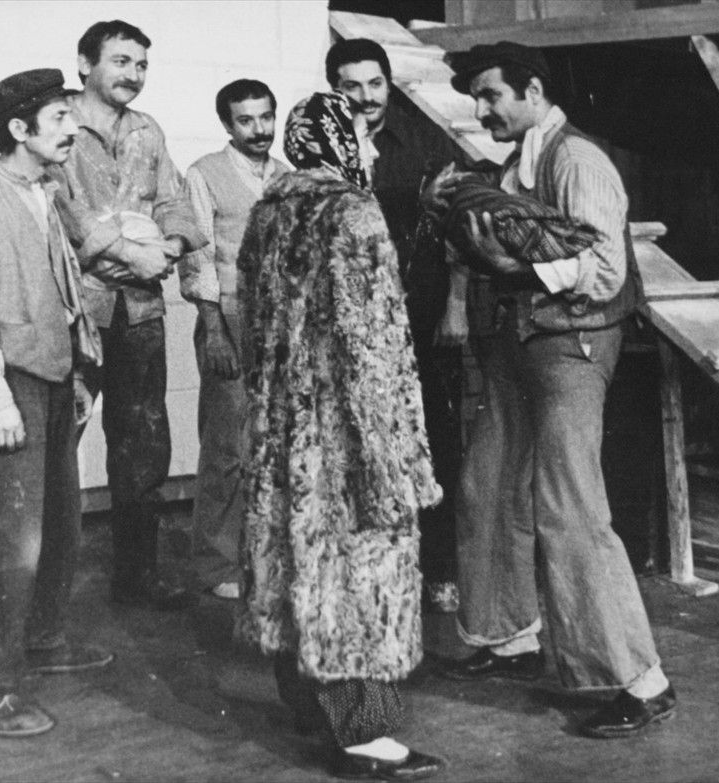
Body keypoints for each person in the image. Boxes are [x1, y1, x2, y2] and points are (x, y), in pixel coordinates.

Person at [439, 42, 678, 739]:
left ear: (534, 91)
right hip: (518, 342)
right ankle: (509, 634)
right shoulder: (518, 161)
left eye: (491, 95)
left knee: (570, 507)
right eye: (476, 98)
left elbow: (605, 269)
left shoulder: (577, 160)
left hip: (572, 342)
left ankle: (639, 680)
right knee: (488, 485)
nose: (481, 110)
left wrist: (512, 267)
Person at [238, 91, 444, 780]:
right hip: (346, 434)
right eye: (361, 134)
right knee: (357, 576)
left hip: (282, 426)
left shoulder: (268, 210)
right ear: (341, 142)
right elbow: (373, 341)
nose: (372, 148)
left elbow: (255, 322)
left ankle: (307, 704)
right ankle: (365, 736)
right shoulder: (354, 211)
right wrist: (395, 455)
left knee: (294, 561)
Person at [0, 68, 113, 738]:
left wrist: (77, 372)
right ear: (18, 128)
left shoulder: (45, 192)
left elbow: (62, 293)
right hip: (9, 388)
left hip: (54, 381)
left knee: (59, 525)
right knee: (8, 542)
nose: (73, 128)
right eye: (60, 118)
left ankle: (39, 640)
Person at [52, 20, 206, 611]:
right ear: (85, 63)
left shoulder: (148, 130)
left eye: (141, 64)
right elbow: (64, 213)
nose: (134, 75)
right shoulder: (58, 124)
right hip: (77, 310)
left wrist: (169, 247)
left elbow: (175, 203)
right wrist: (127, 253)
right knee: (58, 438)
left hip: (139, 311)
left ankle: (137, 577)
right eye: (120, 61)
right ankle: (45, 594)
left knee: (143, 441)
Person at [326, 37, 465, 612]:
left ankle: (439, 570)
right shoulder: (323, 147)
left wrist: (456, 304)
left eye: (375, 83)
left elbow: (455, 229)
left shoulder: (427, 142)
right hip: (356, 329)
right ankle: (376, 575)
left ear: (389, 84)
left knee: (433, 443)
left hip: (422, 319)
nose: (366, 96)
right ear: (334, 89)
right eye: (351, 86)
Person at [179, 79, 288, 600]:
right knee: (227, 447)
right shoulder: (205, 174)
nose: (259, 129)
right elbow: (196, 256)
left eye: (266, 117)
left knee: (274, 442)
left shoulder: (287, 177)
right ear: (227, 124)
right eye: (246, 120)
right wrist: (215, 330)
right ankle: (216, 563)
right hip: (230, 322)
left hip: (280, 327)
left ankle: (265, 556)